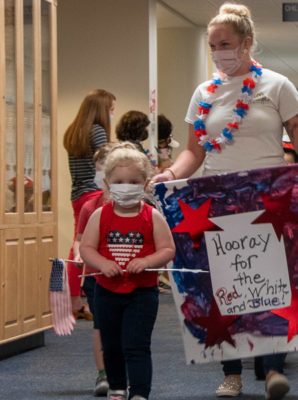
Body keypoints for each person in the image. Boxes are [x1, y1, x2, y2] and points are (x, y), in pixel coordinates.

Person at [152, 3, 298, 399]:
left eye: (225, 44)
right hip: (218, 199)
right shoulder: (204, 93)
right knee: (228, 286)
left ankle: (274, 369)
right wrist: (171, 174)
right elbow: (194, 152)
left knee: (270, 282)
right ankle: (232, 373)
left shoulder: (277, 85)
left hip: (269, 197)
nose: (218, 53)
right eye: (212, 46)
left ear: (246, 43)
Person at [80, 143, 175, 400]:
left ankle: (140, 393)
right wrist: (101, 263)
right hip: (106, 292)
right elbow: (86, 248)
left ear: (145, 184)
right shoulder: (100, 215)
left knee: (136, 346)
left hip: (142, 294)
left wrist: (147, 260)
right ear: (108, 184)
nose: (126, 185)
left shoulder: (152, 216)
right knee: (111, 345)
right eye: (120, 181)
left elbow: (168, 249)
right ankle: (118, 388)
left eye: (134, 181)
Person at [63, 89, 116, 314]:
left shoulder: (74, 131)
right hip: (94, 193)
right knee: (90, 247)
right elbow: (108, 161)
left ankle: (73, 298)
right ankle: (81, 300)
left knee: (78, 244)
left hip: (78, 194)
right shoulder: (98, 131)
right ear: (102, 110)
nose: (113, 113)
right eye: (111, 109)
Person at [72, 143, 115, 396]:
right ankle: (103, 375)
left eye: (106, 170)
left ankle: (122, 372)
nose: (102, 177)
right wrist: (79, 252)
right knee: (101, 325)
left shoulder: (139, 207)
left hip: (126, 277)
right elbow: (79, 238)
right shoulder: (90, 206)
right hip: (96, 278)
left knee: (124, 328)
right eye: (98, 171)